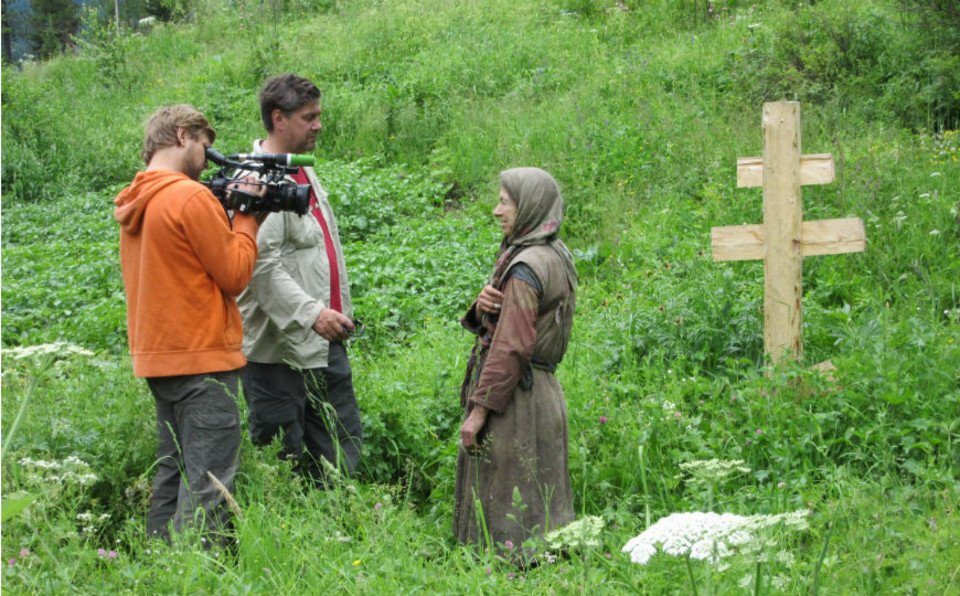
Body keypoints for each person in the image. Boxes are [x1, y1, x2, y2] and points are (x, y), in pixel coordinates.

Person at [114, 104, 263, 542]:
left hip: (159, 358)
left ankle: (159, 569)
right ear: (183, 136)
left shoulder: (137, 200)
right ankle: (197, 575)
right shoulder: (189, 196)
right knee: (209, 484)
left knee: (173, 470)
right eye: (204, 144)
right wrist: (249, 217)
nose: (206, 155)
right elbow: (235, 274)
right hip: (202, 361)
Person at [238, 73, 363, 483]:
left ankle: (343, 526)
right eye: (309, 117)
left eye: (318, 115)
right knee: (284, 460)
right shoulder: (257, 179)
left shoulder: (301, 169)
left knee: (339, 446)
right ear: (279, 118)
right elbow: (260, 265)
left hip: (327, 338)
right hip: (279, 354)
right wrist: (312, 314)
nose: (318, 125)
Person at [453, 167, 578, 561]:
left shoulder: (525, 268)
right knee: (542, 495)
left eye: (504, 201)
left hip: (516, 399)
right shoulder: (553, 252)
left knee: (508, 496)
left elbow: (510, 346)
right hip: (540, 393)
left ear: (528, 207)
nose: (496, 210)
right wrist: (480, 309)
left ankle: (503, 573)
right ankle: (546, 567)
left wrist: (478, 411)